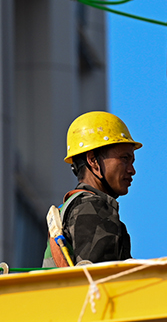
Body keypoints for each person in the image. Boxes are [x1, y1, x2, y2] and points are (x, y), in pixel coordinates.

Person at [43, 111, 142, 268]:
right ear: (93, 160)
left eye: (132, 161)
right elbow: (100, 282)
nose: (132, 170)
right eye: (124, 159)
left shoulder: (70, 208)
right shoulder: (92, 207)